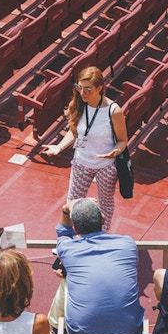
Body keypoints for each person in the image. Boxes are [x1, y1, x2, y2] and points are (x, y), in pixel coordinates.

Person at [43, 66, 128, 232]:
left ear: (100, 88)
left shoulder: (114, 112)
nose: (83, 92)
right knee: (72, 202)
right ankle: (68, 238)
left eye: (88, 89)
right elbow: (74, 132)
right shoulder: (78, 104)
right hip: (82, 162)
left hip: (106, 166)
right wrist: (59, 147)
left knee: (105, 204)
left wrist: (115, 151)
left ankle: (102, 237)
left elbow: (123, 140)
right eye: (80, 87)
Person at [55, 197, 144, 334]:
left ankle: (56, 332)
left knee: (65, 286)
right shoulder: (127, 244)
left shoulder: (68, 249)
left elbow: (63, 232)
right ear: (103, 220)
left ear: (76, 229)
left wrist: (66, 210)